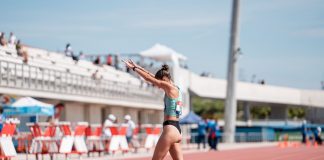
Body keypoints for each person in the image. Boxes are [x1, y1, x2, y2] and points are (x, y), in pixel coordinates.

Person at [123, 60, 183, 160]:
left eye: (161, 82)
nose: (159, 86)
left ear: (165, 79)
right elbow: (152, 76)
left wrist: (133, 69)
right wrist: (138, 66)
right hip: (177, 131)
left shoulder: (169, 87)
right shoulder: (175, 87)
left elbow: (148, 78)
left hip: (170, 130)